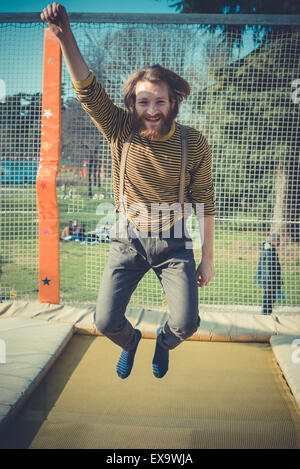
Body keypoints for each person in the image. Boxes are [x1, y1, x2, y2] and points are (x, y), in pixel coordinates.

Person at [41, 3, 216, 379]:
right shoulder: (120, 128)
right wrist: (64, 33)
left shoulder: (194, 143)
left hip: (173, 243)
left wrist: (208, 257)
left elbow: (205, 201)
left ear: (173, 102)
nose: (152, 110)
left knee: (187, 323)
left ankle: (163, 342)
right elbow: (87, 88)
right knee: (104, 320)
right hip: (128, 237)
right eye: (143, 101)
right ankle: (132, 340)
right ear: (132, 104)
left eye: (159, 101)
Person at [255, 233, 284, 315]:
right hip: (270, 279)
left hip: (269, 278)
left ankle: (266, 312)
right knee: (269, 297)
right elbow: (268, 266)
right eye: (278, 240)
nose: (279, 242)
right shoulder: (270, 250)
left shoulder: (266, 247)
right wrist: (269, 281)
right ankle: (266, 313)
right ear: (273, 240)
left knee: (268, 296)